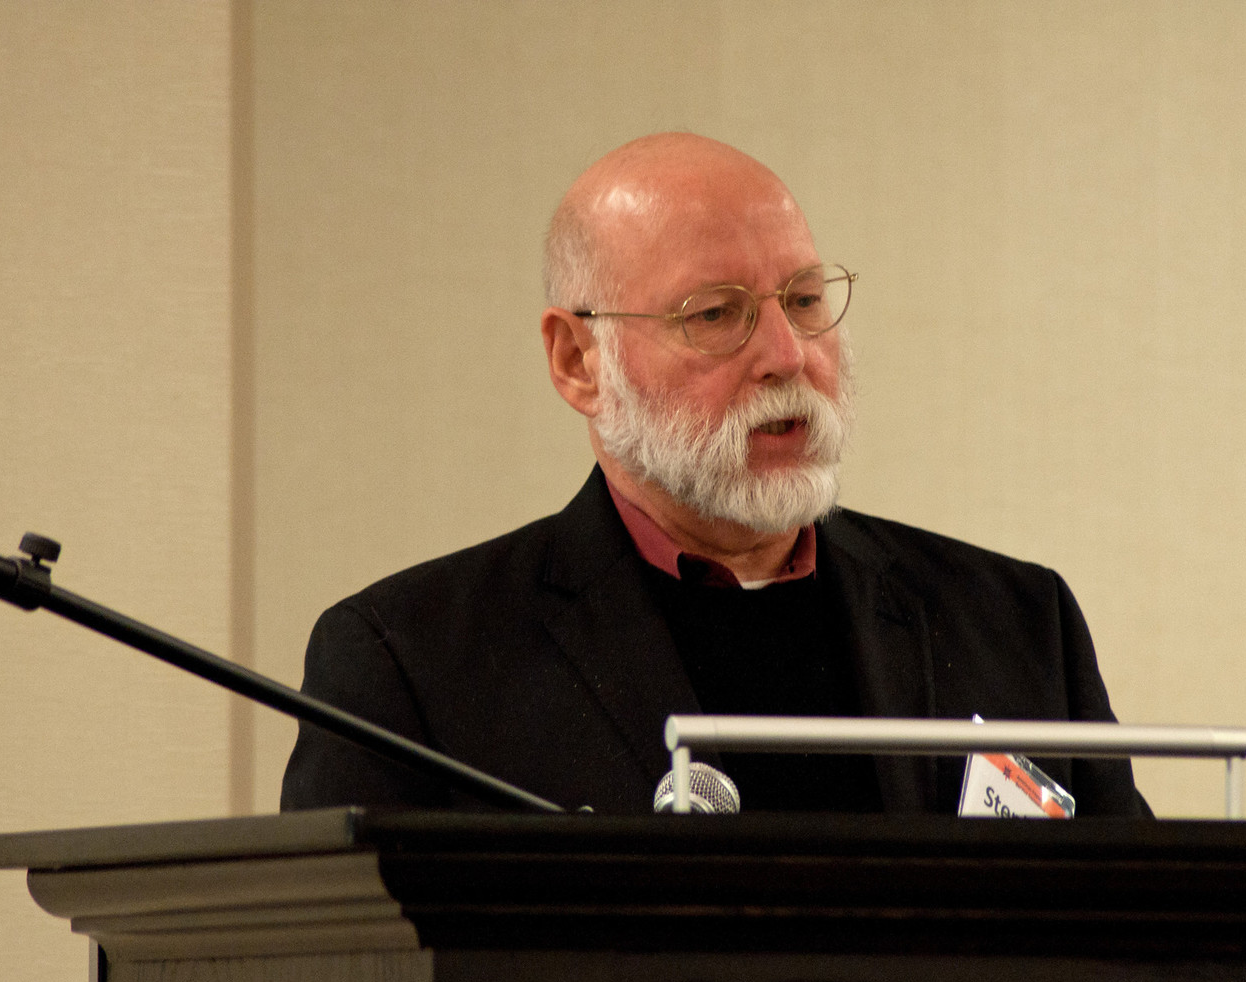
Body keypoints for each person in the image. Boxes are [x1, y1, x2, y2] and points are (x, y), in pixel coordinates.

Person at [281, 133, 1150, 816]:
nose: (788, 356)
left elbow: (1147, 959)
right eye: (716, 315)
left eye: (806, 301)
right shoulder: (415, 664)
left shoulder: (1020, 624)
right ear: (578, 359)